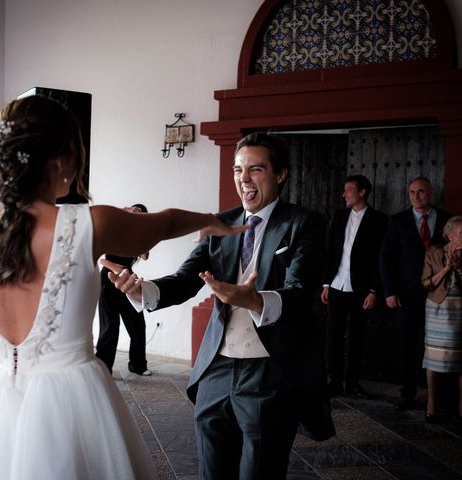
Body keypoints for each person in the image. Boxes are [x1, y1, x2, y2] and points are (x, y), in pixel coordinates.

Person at [0, 95, 246, 480]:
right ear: (63, 157)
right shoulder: (88, 223)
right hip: (69, 398)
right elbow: (168, 222)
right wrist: (216, 220)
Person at [105, 132, 335, 480]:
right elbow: (185, 279)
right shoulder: (218, 223)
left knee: (260, 471)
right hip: (215, 369)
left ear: (281, 174)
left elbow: (300, 292)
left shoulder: (304, 223)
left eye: (256, 169)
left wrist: (255, 300)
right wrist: (140, 290)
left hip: (270, 371)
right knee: (212, 470)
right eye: (238, 169)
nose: (244, 179)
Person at [379, 177, 452, 410]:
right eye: (412, 192)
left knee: (439, 344)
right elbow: (386, 259)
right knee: (407, 343)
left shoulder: (447, 219)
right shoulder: (397, 221)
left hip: (440, 294)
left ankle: (437, 394)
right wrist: (389, 292)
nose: (416, 196)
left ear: (430, 192)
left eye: (421, 191)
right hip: (406, 294)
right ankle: (407, 391)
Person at [321, 175, 387, 399]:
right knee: (333, 336)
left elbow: (380, 258)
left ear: (362, 192)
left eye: (349, 190)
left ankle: (352, 382)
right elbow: (329, 251)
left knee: (358, 336)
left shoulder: (379, 220)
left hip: (362, 289)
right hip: (337, 284)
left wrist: (374, 290)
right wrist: (326, 283)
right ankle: (335, 381)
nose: (344, 194)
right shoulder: (339, 216)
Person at [421, 216, 462, 422]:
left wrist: (460, 269)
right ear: (450, 235)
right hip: (437, 312)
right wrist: (447, 268)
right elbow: (426, 284)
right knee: (433, 360)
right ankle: (431, 404)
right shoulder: (434, 252)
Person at [96, 203, 152, 375]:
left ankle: (138, 365)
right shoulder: (113, 229)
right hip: (108, 280)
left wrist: (142, 228)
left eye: (141, 212)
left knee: (137, 324)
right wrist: (117, 269)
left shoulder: (138, 236)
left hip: (128, 280)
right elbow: (101, 259)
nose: (137, 211)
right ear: (127, 209)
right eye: (134, 208)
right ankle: (104, 369)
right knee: (109, 327)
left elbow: (145, 255)